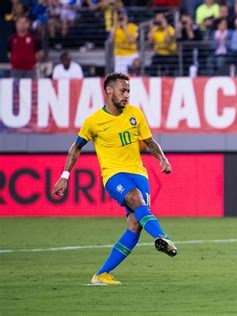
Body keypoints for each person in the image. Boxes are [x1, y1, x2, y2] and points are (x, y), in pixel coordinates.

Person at [52, 73, 177, 286]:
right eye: (123, 90)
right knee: (135, 198)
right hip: (113, 175)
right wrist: (65, 176)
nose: (126, 95)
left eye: (128, 91)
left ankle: (101, 274)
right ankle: (162, 237)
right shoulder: (94, 122)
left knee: (135, 224)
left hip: (139, 174)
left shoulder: (135, 114)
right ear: (109, 90)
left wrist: (162, 159)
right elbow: (76, 148)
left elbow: (149, 141)